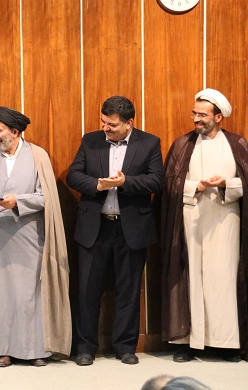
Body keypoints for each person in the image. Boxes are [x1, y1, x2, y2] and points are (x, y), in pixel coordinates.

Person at [0, 106, 71, 367]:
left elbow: (46, 197)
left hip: (28, 236)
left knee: (27, 295)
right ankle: (2, 350)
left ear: (15, 132)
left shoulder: (37, 156)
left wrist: (17, 202)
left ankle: (34, 350)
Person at [67, 96, 163, 366]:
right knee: (87, 290)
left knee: (128, 291)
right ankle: (85, 348)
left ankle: (125, 347)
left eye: (112, 125)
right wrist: (97, 185)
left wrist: (125, 182)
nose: (105, 128)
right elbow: (74, 175)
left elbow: (157, 180)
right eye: (103, 122)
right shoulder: (90, 140)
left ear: (129, 123)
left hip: (131, 229)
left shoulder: (149, 143)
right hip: (94, 228)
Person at [161, 88, 248, 363]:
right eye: (194, 113)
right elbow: (170, 183)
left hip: (225, 221)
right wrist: (196, 187)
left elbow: (246, 181)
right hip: (192, 220)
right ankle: (188, 342)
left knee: (223, 280)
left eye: (202, 115)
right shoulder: (182, 144)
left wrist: (225, 184)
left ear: (218, 117)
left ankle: (226, 344)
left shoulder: (236, 144)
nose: (196, 119)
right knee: (191, 278)